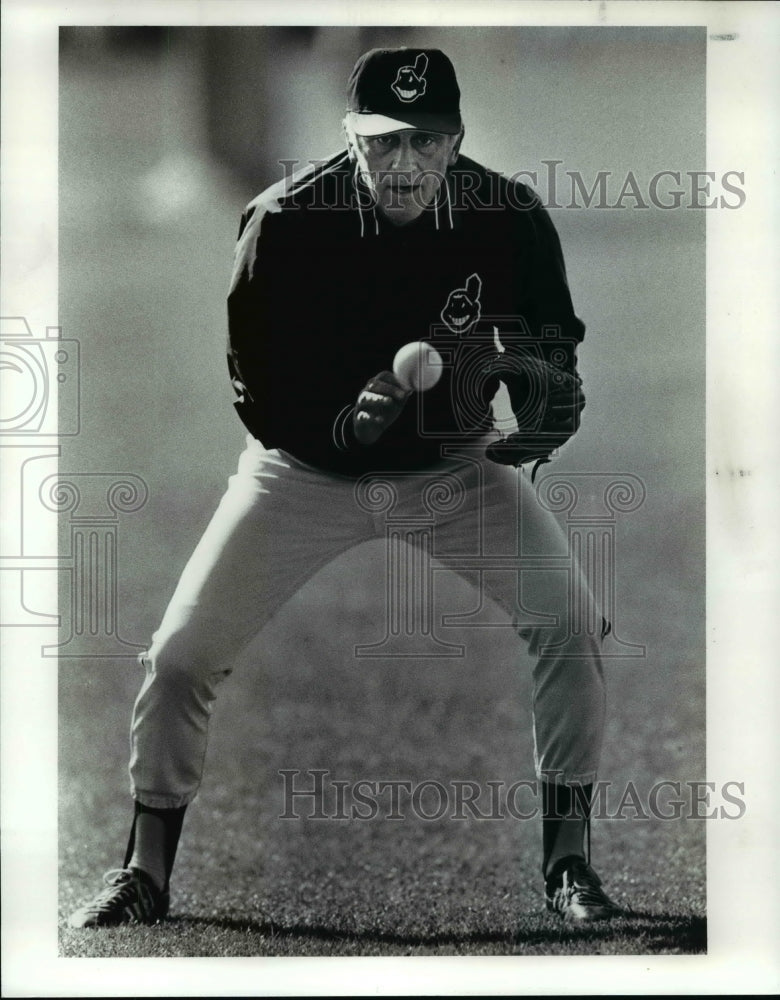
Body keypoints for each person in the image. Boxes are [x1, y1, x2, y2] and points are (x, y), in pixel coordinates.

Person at [69, 46, 624, 929]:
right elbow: (259, 390)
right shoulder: (284, 222)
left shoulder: (508, 218)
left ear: (454, 142)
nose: (402, 163)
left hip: (451, 471)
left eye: (423, 141)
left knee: (570, 626)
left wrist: (546, 404)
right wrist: (344, 425)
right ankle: (144, 869)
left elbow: (546, 348)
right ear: (348, 138)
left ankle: (569, 866)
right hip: (303, 476)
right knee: (179, 657)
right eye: (382, 142)